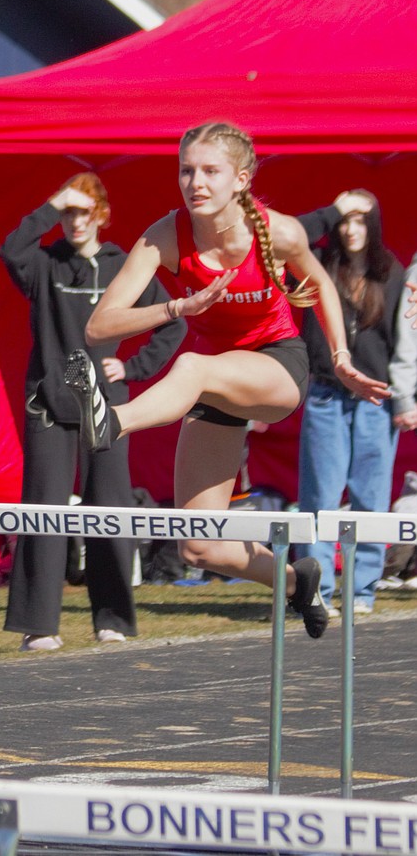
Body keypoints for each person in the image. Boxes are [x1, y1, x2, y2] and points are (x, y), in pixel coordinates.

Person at [66, 122, 389, 640]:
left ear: (240, 179)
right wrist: (176, 306)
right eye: (186, 170)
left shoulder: (278, 231)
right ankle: (295, 582)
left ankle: (112, 424)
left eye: (209, 172)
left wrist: (343, 357)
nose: (195, 182)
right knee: (200, 545)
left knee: (193, 367)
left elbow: (322, 284)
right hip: (215, 380)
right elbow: (100, 325)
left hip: (277, 368)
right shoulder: (166, 235)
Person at [0, 173, 186, 652]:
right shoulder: (45, 264)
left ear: (101, 214)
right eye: (68, 212)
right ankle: (39, 624)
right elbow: (11, 248)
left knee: (109, 508)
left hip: (107, 406)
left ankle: (114, 618)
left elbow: (172, 321)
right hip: (48, 404)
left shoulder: (122, 265)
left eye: (84, 211)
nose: (75, 221)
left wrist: (134, 366)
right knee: (44, 507)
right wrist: (52, 202)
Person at [292, 191, 405, 615]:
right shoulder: (316, 265)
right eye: (344, 220)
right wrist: (328, 211)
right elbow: (288, 236)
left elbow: (404, 345)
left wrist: (405, 399)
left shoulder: (392, 273)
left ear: (373, 226)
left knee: (370, 498)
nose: (350, 229)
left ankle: (361, 591)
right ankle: (317, 589)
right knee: (319, 495)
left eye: (360, 220)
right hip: (325, 393)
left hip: (375, 398)